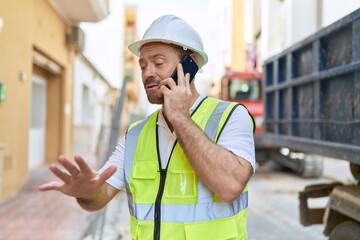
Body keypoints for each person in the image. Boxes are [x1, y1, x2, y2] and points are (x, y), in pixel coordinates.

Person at [39, 14, 255, 240]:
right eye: (143, 65)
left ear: (188, 64)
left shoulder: (231, 117)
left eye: (158, 63)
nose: (147, 73)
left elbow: (231, 186)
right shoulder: (135, 134)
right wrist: (86, 192)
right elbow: (101, 195)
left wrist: (180, 118)